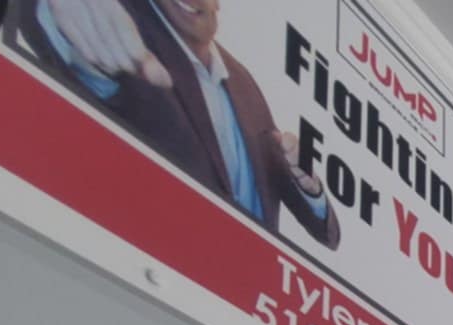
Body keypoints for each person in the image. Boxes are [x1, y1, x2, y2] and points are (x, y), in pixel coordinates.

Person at [20, 0, 339, 247]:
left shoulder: (243, 80)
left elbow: (326, 233)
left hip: (251, 293)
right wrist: (56, 16)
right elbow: (81, 43)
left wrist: (310, 188)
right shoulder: (126, 22)